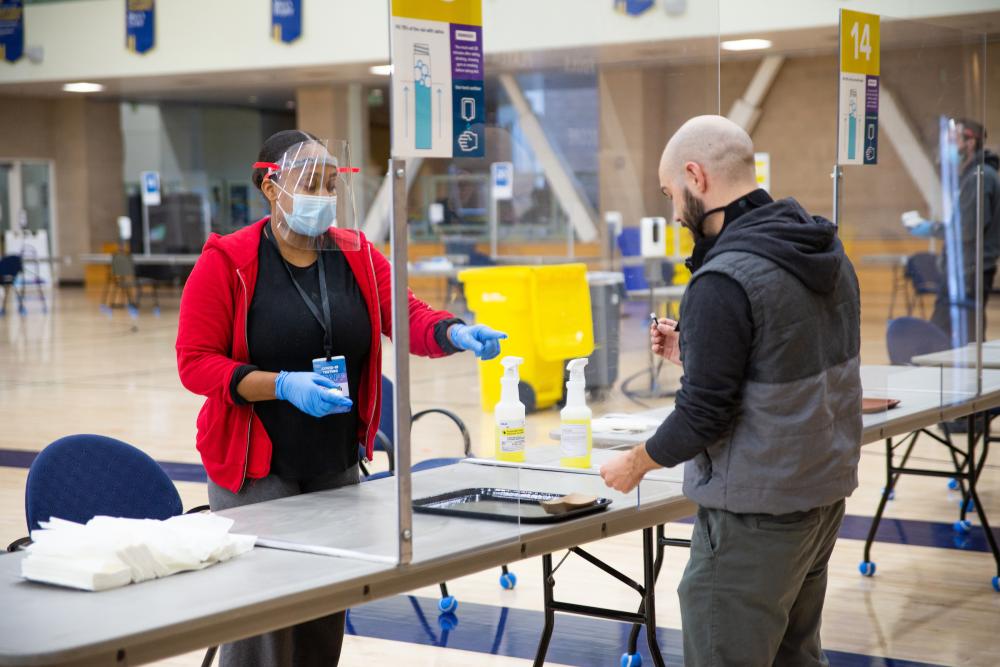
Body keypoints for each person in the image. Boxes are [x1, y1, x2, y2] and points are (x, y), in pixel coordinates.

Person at [175, 130, 506, 667]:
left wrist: (454, 333)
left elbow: (409, 314)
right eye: (311, 183)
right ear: (269, 185)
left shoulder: (355, 254)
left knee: (325, 610)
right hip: (257, 466)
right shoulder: (228, 261)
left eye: (331, 184)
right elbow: (195, 363)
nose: (323, 197)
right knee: (268, 616)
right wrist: (280, 385)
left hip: (333, 460)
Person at [599, 115, 862, 666]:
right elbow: (783, 357)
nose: (673, 212)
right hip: (819, 499)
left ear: (696, 176)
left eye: (671, 193)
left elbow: (703, 415)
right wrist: (694, 350)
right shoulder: (822, 249)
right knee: (796, 656)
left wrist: (636, 463)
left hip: (755, 518)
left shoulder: (724, 278)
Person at [921, 119, 1000, 341]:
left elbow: (966, 230)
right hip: (966, 269)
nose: (947, 146)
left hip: (968, 271)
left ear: (970, 142)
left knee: (941, 335)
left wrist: (932, 229)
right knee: (968, 335)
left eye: (953, 140)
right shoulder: (973, 176)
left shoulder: (979, 178)